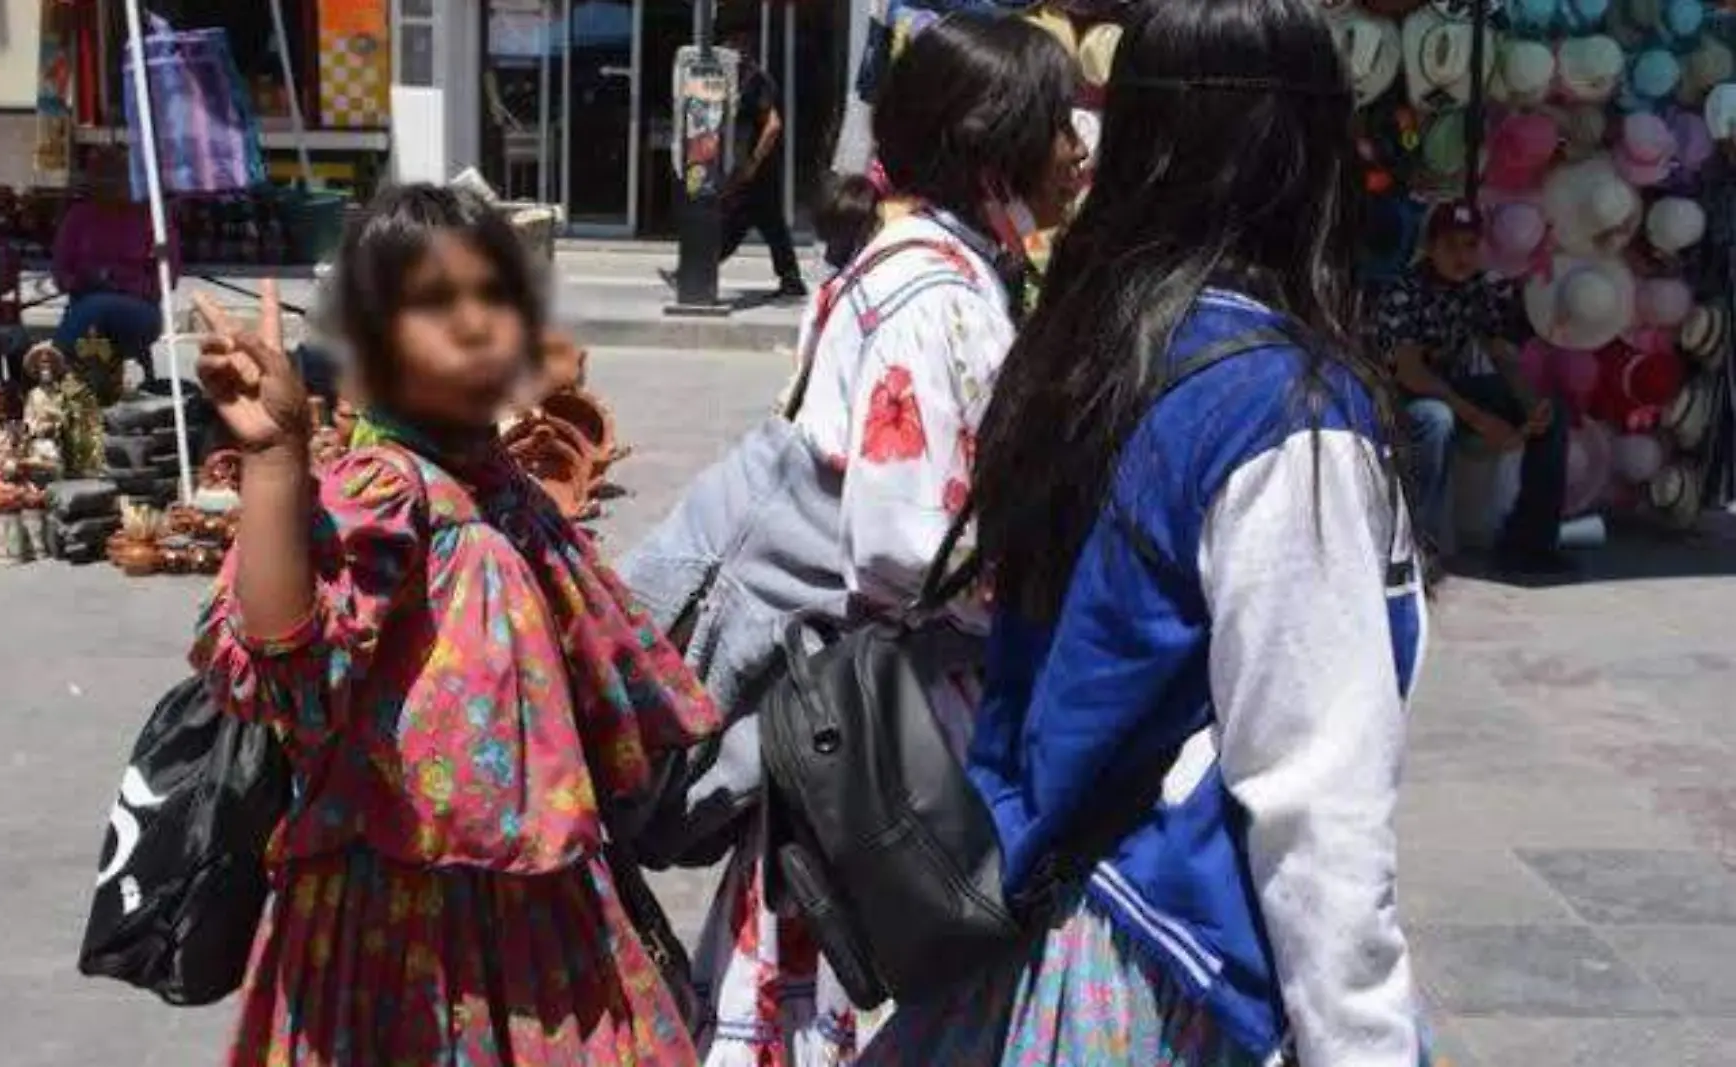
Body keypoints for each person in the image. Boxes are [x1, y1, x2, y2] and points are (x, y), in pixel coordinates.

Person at [860, 1, 1431, 1064]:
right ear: (1305, 154)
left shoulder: (1089, 352)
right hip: (1171, 974)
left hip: (1033, 939)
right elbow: (1316, 798)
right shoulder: (1280, 412)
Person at [622, 14, 1086, 1066]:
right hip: (896, 727)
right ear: (988, 143)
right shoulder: (936, 300)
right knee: (856, 967)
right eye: (1054, 120)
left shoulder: (919, 268)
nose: (1076, 147)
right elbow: (896, 548)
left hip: (862, 710)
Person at [189, 184, 719, 1067]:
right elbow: (284, 665)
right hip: (406, 943)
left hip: (532, 915)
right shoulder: (383, 485)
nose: (476, 324)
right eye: (436, 303)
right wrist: (275, 458)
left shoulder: (500, 485)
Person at [1374, 200, 1570, 574]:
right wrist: (1482, 420)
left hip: (1451, 391)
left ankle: (1531, 542)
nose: (1462, 256)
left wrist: (1528, 402)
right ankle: (1421, 549)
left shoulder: (1478, 288)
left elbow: (1501, 353)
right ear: (1430, 248)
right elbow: (1411, 373)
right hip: (1398, 398)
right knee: (1436, 419)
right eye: (1451, 246)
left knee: (1553, 413)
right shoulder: (1405, 290)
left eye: (1470, 245)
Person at [48, 147, 170, 402]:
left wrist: (119, 283)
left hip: (139, 310)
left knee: (98, 306)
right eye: (103, 178)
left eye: (118, 178)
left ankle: (54, 365)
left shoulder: (152, 219)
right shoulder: (78, 218)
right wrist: (84, 279)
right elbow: (61, 275)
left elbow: (166, 278)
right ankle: (74, 386)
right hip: (84, 304)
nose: (111, 185)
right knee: (92, 308)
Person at [719, 26, 808, 299]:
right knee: (760, 220)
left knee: (735, 216)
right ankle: (791, 279)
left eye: (731, 47)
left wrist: (753, 163)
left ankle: (698, 268)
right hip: (754, 165)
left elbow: (772, 126)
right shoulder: (742, 80)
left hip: (760, 166)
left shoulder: (757, 80)